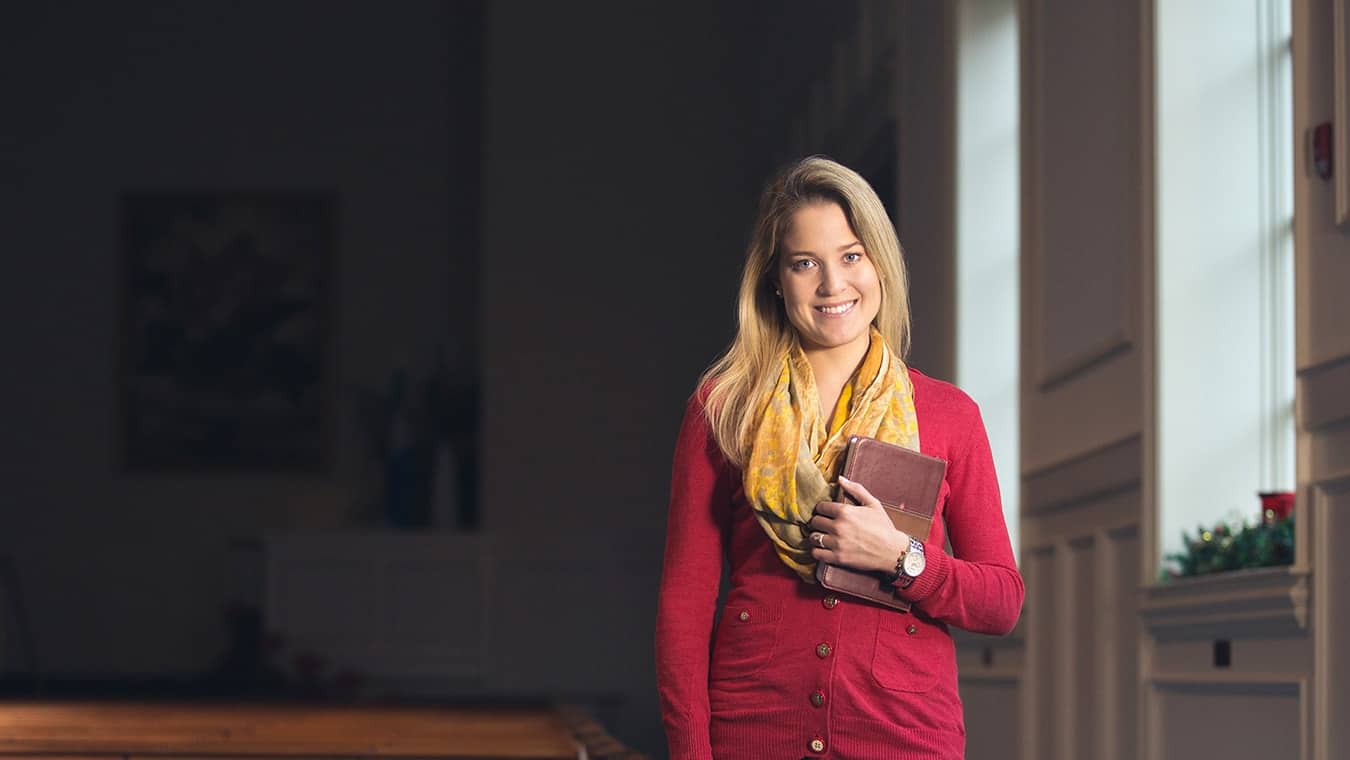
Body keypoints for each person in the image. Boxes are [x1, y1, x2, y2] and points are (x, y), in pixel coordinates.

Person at [655, 156, 1023, 760]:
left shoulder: (950, 413)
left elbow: (1001, 601)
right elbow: (684, 607)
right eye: (806, 263)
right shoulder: (724, 409)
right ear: (775, 278)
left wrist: (903, 559)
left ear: (879, 262)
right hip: (754, 730)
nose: (833, 285)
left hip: (903, 736)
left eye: (851, 256)